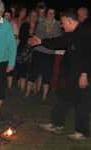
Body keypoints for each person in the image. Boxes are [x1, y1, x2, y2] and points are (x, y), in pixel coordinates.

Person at [28, 9, 91, 140]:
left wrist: (85, 74)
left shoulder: (85, 33)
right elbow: (59, 42)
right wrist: (41, 41)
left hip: (81, 75)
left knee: (82, 103)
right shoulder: (71, 34)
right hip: (70, 74)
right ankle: (56, 125)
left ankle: (82, 132)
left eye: (63, 23)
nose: (62, 26)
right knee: (62, 98)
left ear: (70, 21)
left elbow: (88, 55)